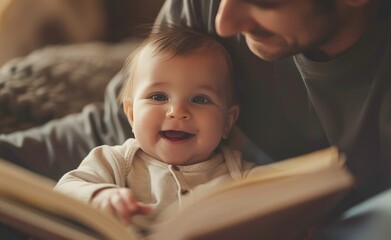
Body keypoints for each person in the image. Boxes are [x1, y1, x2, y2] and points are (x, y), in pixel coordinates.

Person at [1, 0, 391, 239]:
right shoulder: (120, 158)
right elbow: (105, 135)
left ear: (229, 120)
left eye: (262, 1)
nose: (224, 22)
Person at [53, 26, 255, 227]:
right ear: (131, 115)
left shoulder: (241, 175)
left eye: (200, 99)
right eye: (158, 97)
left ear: (227, 122)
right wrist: (100, 195)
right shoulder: (116, 162)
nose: (177, 111)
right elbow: (64, 190)